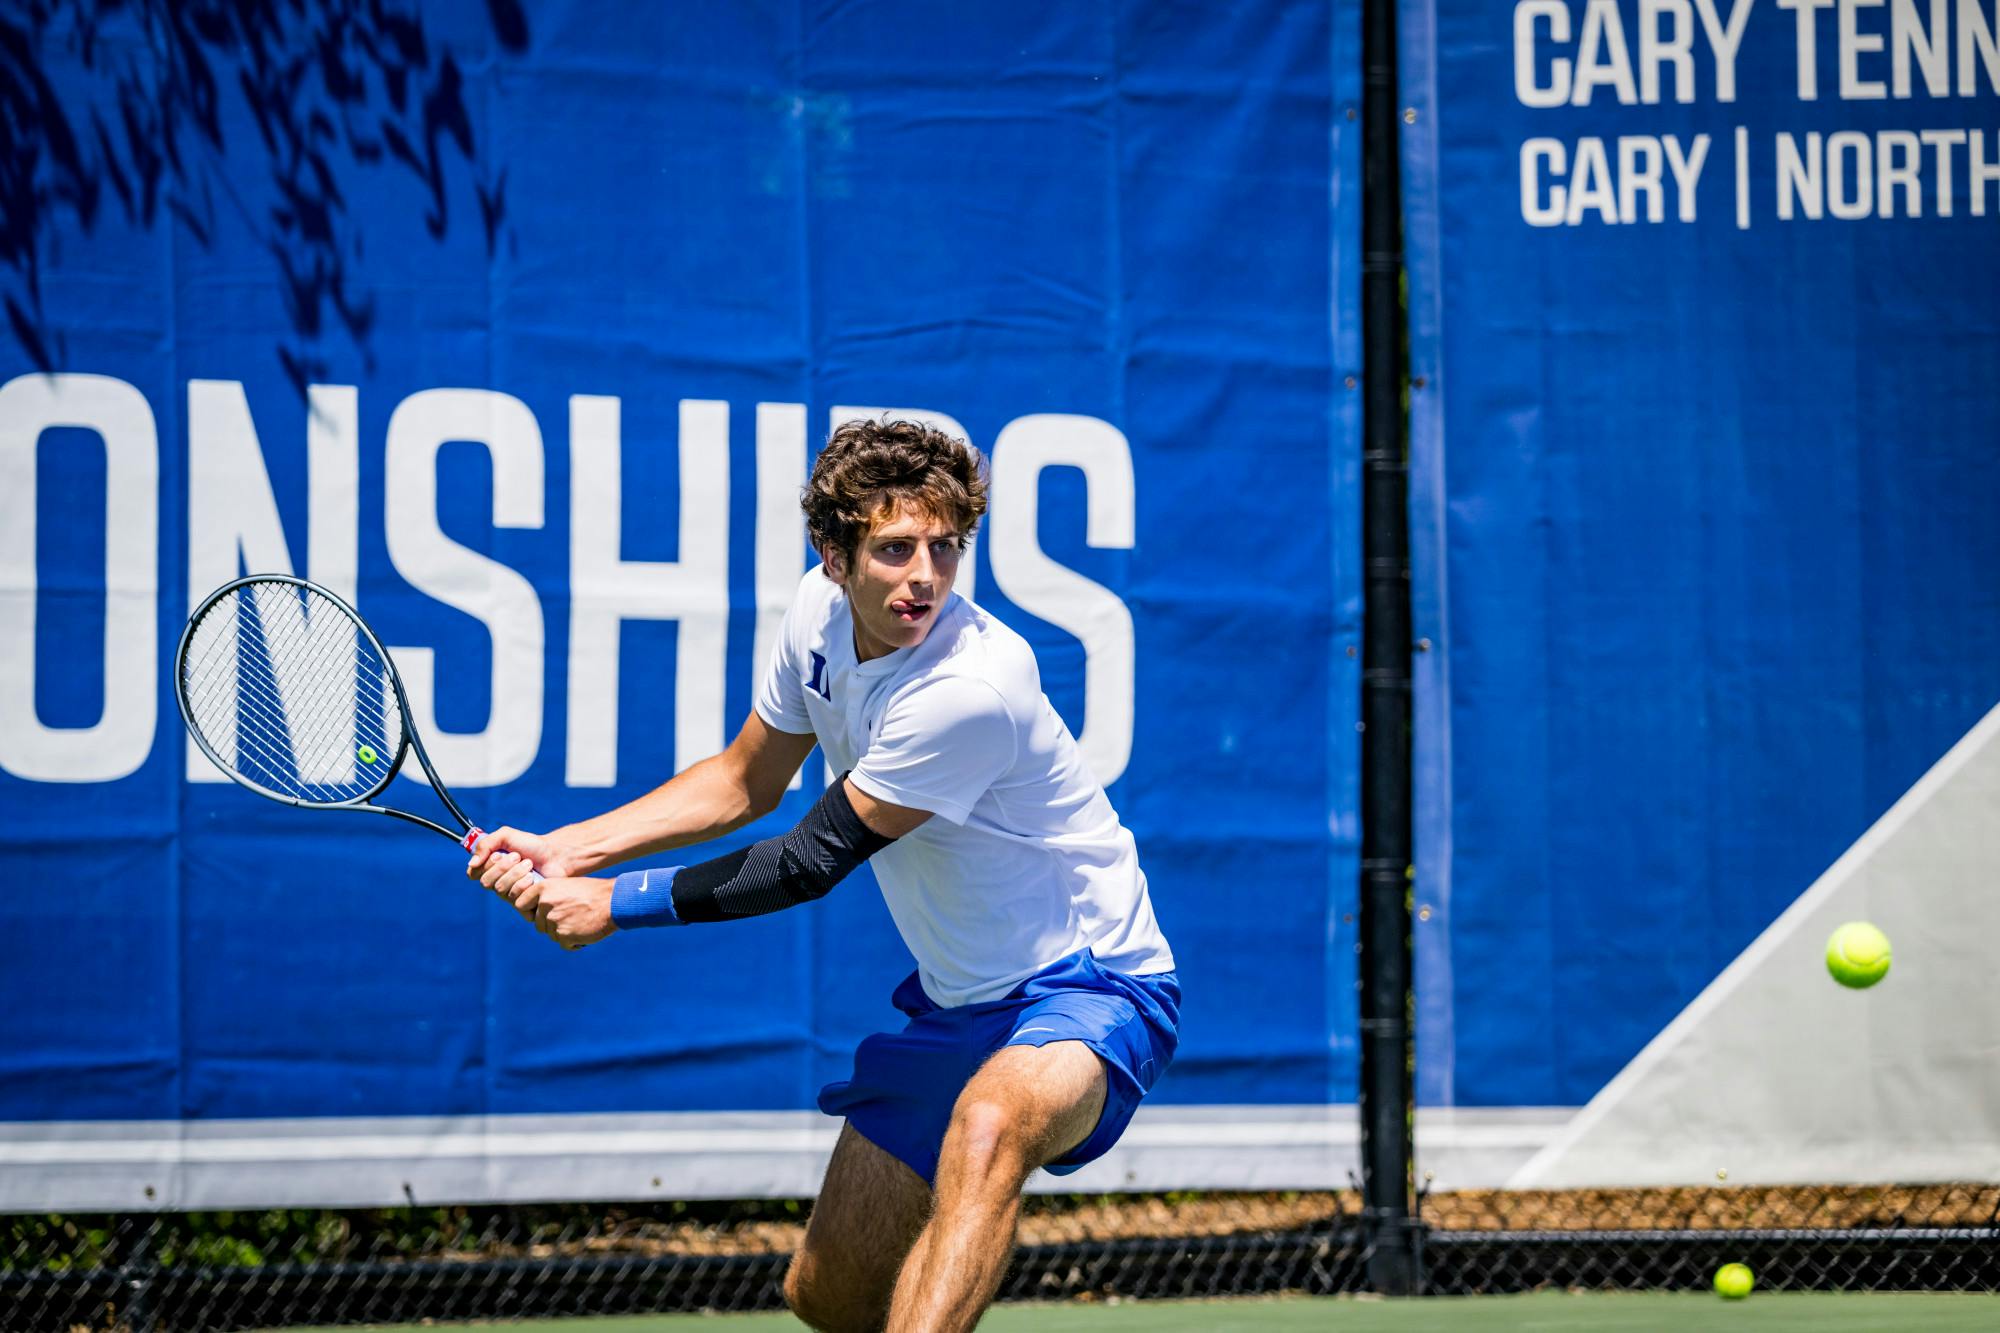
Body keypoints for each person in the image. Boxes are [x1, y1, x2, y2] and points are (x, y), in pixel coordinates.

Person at [467, 418, 1178, 1332]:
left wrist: (612, 904)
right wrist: (572, 848)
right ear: (833, 555)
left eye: (945, 547)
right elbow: (741, 781)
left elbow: (808, 861)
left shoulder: (970, 687)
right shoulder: (816, 614)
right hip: (964, 1000)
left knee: (991, 1128)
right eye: (894, 548)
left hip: (1095, 984)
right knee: (828, 1296)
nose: (924, 574)